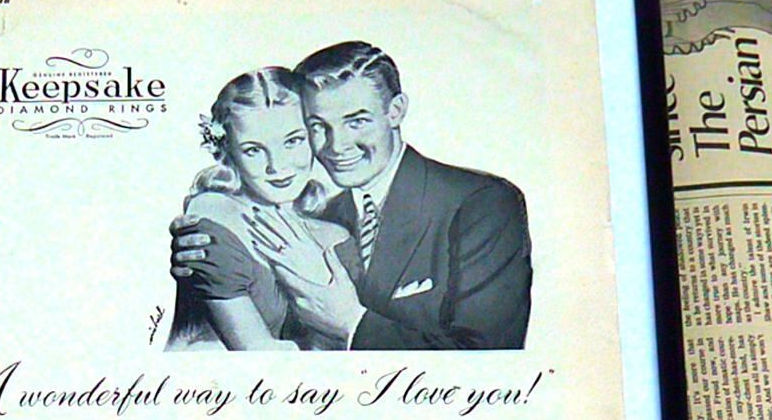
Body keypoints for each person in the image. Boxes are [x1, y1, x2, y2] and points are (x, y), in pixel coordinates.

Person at [172, 41, 533, 350]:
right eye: (318, 127)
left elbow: (491, 358)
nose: (337, 146)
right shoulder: (321, 217)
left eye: (356, 121)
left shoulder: (481, 204)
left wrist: (352, 324)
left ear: (396, 111)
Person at [165, 67, 357, 351]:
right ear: (228, 152)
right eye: (253, 150)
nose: (276, 166)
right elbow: (257, 354)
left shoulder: (336, 232)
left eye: (293, 141)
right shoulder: (213, 215)